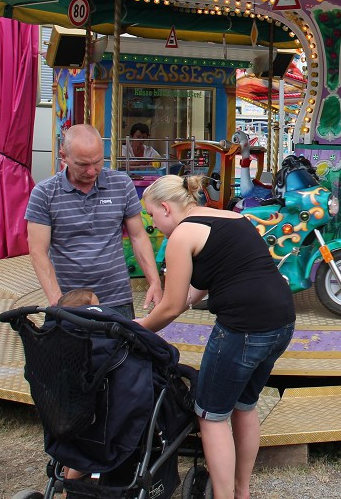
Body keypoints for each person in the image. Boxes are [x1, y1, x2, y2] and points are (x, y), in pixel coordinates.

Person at [136, 175, 295, 499]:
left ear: (166, 208)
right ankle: (241, 491)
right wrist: (182, 298)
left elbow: (171, 307)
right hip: (281, 322)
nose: (155, 226)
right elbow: (216, 276)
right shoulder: (230, 216)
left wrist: (138, 327)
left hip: (244, 328)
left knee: (210, 416)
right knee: (244, 406)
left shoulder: (182, 235)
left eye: (152, 217)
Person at [26, 124, 162, 319]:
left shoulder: (121, 184)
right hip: (70, 300)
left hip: (117, 299)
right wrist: (57, 301)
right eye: (82, 164)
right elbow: (38, 251)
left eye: (97, 162)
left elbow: (138, 236)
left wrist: (154, 281)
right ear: (63, 157)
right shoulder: (44, 193)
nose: (91, 171)